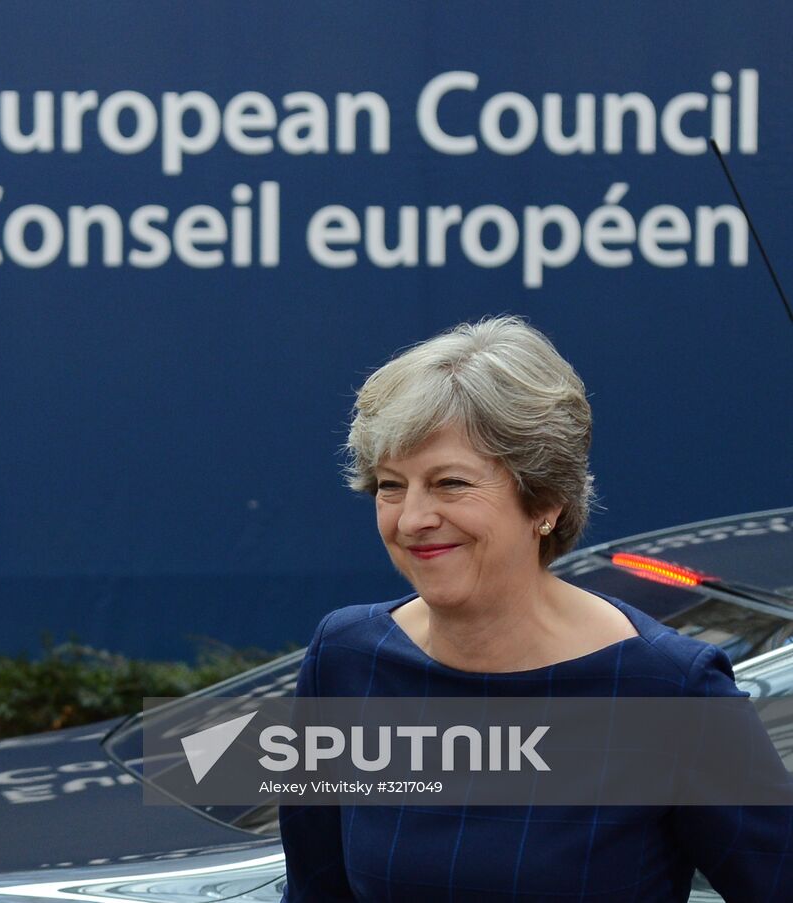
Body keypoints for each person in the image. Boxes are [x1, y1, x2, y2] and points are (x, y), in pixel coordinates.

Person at [278, 316, 793, 901]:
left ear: (544, 499)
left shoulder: (667, 689)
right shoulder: (346, 659)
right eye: (391, 485)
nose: (412, 518)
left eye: (450, 483)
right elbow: (314, 890)